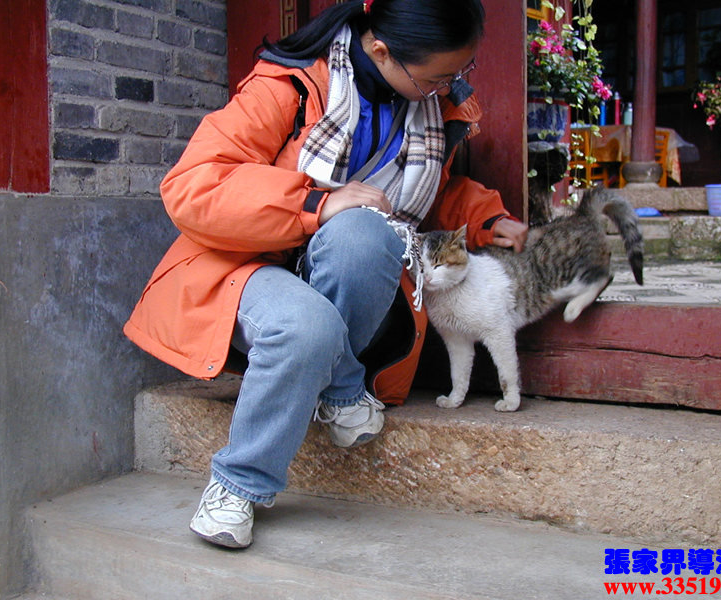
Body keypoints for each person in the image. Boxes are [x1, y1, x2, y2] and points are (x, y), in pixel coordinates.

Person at [123, 0, 528, 549]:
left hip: (346, 271)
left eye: (457, 75)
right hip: (248, 265)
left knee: (367, 233)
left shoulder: (429, 112)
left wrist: (486, 219)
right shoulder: (287, 88)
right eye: (436, 78)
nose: (447, 89)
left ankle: (335, 380)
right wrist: (315, 203)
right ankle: (250, 471)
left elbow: (422, 198)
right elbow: (193, 186)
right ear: (381, 51)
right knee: (308, 322)